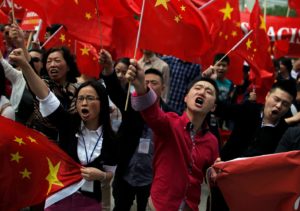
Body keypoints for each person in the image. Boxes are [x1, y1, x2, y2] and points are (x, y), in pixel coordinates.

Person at [9, 48, 117, 211]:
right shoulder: (68, 124)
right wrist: (25, 65)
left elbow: (110, 173)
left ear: (102, 103)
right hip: (59, 198)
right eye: (80, 99)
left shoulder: (111, 138)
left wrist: (100, 175)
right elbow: (45, 95)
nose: (84, 103)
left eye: (89, 98)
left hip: (90, 203)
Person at [125, 59, 219, 211]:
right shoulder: (169, 123)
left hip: (191, 206)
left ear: (213, 106)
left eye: (209, 92)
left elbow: (212, 177)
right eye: (198, 88)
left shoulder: (212, 141)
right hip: (160, 205)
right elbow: (151, 112)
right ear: (186, 98)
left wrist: (215, 173)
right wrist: (141, 86)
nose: (202, 92)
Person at [100, 49, 175, 211]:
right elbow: (116, 93)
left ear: (163, 87)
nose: (148, 86)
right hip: (126, 172)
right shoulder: (132, 105)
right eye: (145, 81)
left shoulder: (171, 115)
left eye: (154, 83)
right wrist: (108, 69)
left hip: (152, 178)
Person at [27, 46, 80, 140]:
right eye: (49, 61)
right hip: (42, 141)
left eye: (57, 60)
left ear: (68, 66)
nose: (52, 65)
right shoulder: (43, 85)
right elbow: (29, 73)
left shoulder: (78, 90)